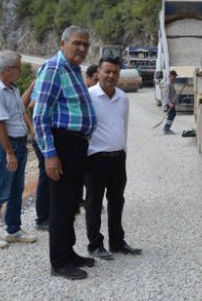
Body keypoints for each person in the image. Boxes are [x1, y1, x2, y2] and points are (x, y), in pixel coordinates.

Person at [33, 26, 98, 280]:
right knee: (60, 205)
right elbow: (40, 116)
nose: (82, 48)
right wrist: (50, 155)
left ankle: (68, 252)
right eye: (77, 43)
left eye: (85, 44)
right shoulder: (53, 69)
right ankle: (59, 263)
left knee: (71, 202)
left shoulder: (72, 70)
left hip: (76, 145)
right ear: (63, 43)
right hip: (61, 145)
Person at [0, 50, 38, 248]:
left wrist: (31, 129)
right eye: (18, 68)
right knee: (2, 190)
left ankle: (13, 229)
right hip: (8, 145)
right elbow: (0, 126)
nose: (20, 72)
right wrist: (9, 153)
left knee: (16, 189)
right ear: (7, 69)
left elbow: (22, 112)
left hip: (19, 144)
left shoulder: (12, 88)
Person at [85, 57, 142, 260]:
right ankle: (95, 245)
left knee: (117, 201)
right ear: (98, 72)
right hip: (95, 158)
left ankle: (117, 242)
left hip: (118, 158)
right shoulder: (88, 96)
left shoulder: (123, 98)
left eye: (115, 72)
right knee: (94, 203)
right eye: (107, 71)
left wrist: (124, 151)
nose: (111, 76)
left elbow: (123, 126)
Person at [22, 80, 49, 231]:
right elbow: (29, 105)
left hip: (43, 135)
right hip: (41, 137)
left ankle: (48, 215)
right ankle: (42, 218)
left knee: (49, 176)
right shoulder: (42, 83)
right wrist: (32, 126)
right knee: (45, 175)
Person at [162, 70, 178, 135]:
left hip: (172, 103)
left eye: (175, 76)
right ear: (170, 76)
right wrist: (169, 104)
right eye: (174, 76)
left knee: (173, 114)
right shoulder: (168, 84)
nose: (175, 78)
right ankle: (166, 129)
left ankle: (167, 128)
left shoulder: (172, 84)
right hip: (169, 104)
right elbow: (166, 96)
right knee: (171, 115)